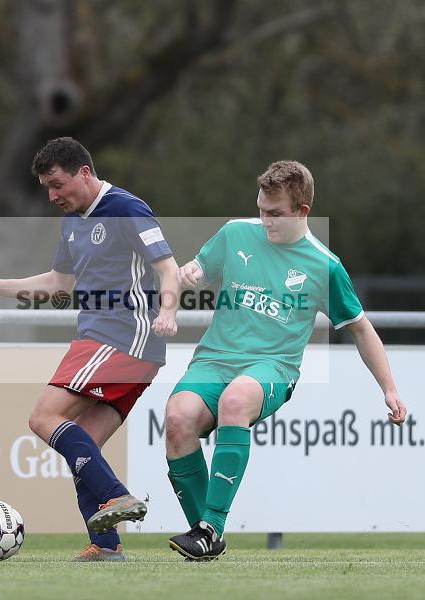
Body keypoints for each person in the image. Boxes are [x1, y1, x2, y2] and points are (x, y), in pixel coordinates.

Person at [164, 160, 407, 561]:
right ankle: (205, 538)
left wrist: (390, 389)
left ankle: (210, 527)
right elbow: (193, 271)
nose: (265, 221)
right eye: (261, 210)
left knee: (234, 402)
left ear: (302, 212)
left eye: (275, 214)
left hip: (272, 367)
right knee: (177, 418)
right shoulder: (235, 233)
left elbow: (361, 328)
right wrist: (188, 274)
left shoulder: (325, 266)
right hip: (214, 360)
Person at [0, 137, 179, 562]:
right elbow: (58, 284)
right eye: (46, 187)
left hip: (122, 336)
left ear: (84, 172)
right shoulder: (73, 221)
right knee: (83, 447)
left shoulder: (126, 208)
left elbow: (167, 268)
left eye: (57, 185)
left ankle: (118, 496)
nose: (53, 196)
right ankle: (106, 545)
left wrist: (168, 312)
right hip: (108, 340)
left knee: (44, 417)